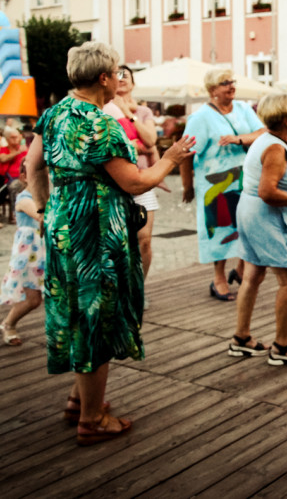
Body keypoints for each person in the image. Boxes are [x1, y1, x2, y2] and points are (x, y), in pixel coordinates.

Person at [25, 41, 195, 445]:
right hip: (97, 232)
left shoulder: (53, 114)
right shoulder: (99, 123)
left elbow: (32, 166)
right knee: (96, 318)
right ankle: (91, 419)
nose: (121, 78)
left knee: (78, 311)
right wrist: (170, 159)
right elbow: (136, 181)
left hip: (65, 226)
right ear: (103, 78)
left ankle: (78, 400)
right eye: (118, 71)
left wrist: (46, 207)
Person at [229, 92, 287, 365]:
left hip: (248, 211)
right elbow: (267, 192)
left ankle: (241, 338)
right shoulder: (275, 148)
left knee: (252, 274)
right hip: (265, 215)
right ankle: (282, 347)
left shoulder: (265, 139)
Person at [179, 70, 267, 301]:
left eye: (232, 81)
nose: (231, 86)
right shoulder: (200, 118)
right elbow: (185, 153)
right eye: (224, 83)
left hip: (246, 180)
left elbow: (262, 132)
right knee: (220, 229)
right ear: (212, 90)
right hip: (215, 184)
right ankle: (218, 278)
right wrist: (187, 186)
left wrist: (240, 139)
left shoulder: (243, 109)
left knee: (247, 226)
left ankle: (239, 269)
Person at [104, 65, 162, 288]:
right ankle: (119, 288)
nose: (120, 79)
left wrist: (129, 115)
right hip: (115, 182)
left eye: (125, 75)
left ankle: (138, 288)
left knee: (144, 240)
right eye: (116, 75)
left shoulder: (143, 112)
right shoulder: (104, 108)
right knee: (119, 241)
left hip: (143, 180)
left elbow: (150, 140)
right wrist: (141, 146)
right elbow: (119, 144)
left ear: (133, 82)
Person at [0, 181, 44, 346]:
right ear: (25, 176)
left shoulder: (49, 196)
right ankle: (8, 324)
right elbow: (42, 216)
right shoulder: (24, 199)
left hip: (50, 252)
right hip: (31, 256)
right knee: (33, 300)